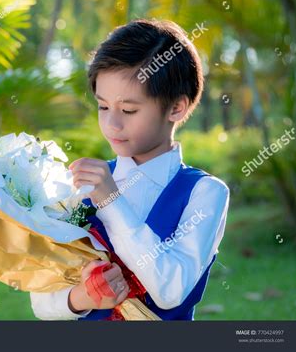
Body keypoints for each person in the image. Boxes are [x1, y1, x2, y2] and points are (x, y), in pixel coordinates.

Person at [30, 19, 230, 320]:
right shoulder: (78, 187)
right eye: (103, 107)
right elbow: (42, 302)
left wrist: (111, 202)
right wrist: (84, 296)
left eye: (128, 110)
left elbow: (170, 290)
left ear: (176, 108)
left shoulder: (204, 193)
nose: (112, 124)